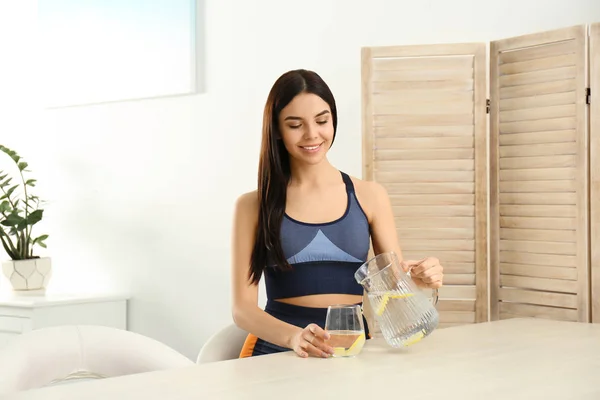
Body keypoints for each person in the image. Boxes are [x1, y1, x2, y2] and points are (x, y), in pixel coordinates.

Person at [231, 69, 444, 359]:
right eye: (295, 125)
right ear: (277, 131)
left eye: (322, 121)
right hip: (277, 352)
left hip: (353, 350)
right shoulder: (252, 206)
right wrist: (295, 338)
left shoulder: (370, 196)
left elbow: (393, 292)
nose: (312, 134)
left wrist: (420, 281)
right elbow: (242, 310)